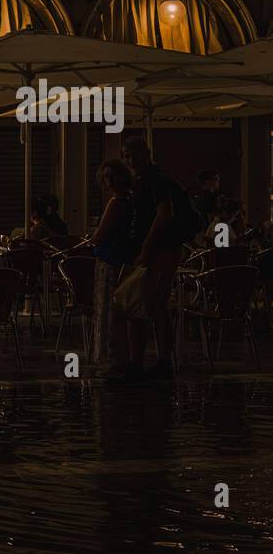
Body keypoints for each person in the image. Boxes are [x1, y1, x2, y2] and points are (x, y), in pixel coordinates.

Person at [109, 136, 189, 385]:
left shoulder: (155, 181)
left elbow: (163, 215)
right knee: (157, 308)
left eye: (133, 154)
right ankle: (163, 362)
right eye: (126, 155)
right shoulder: (148, 180)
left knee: (135, 306)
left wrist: (145, 247)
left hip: (158, 253)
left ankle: (137, 364)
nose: (130, 160)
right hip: (161, 252)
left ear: (146, 153)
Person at [89, 160, 135, 371]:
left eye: (111, 176)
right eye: (105, 177)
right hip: (125, 260)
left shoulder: (115, 204)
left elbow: (100, 236)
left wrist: (94, 236)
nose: (108, 181)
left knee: (108, 309)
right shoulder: (133, 202)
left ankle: (110, 359)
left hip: (110, 261)